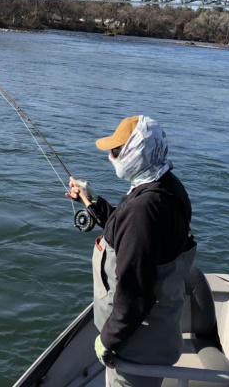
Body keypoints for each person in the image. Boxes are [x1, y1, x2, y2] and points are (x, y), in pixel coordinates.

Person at [66, 115, 197, 387]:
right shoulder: (166, 186)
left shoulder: (143, 210)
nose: (111, 157)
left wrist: (108, 340)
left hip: (136, 348)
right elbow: (134, 235)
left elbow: (135, 293)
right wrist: (93, 202)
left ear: (137, 151)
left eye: (116, 151)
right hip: (156, 335)